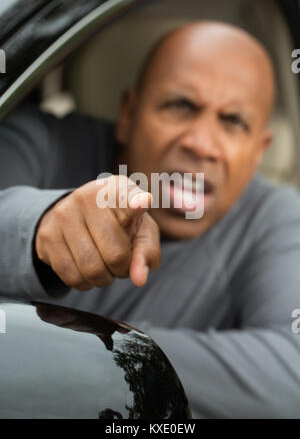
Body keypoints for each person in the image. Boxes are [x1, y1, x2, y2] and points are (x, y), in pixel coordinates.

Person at [1, 21, 300, 418]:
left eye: (232, 122)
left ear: (259, 152)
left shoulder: (275, 218)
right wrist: (43, 225)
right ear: (128, 113)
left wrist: (97, 350)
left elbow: (289, 377)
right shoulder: (40, 141)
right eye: (181, 106)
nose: (201, 143)